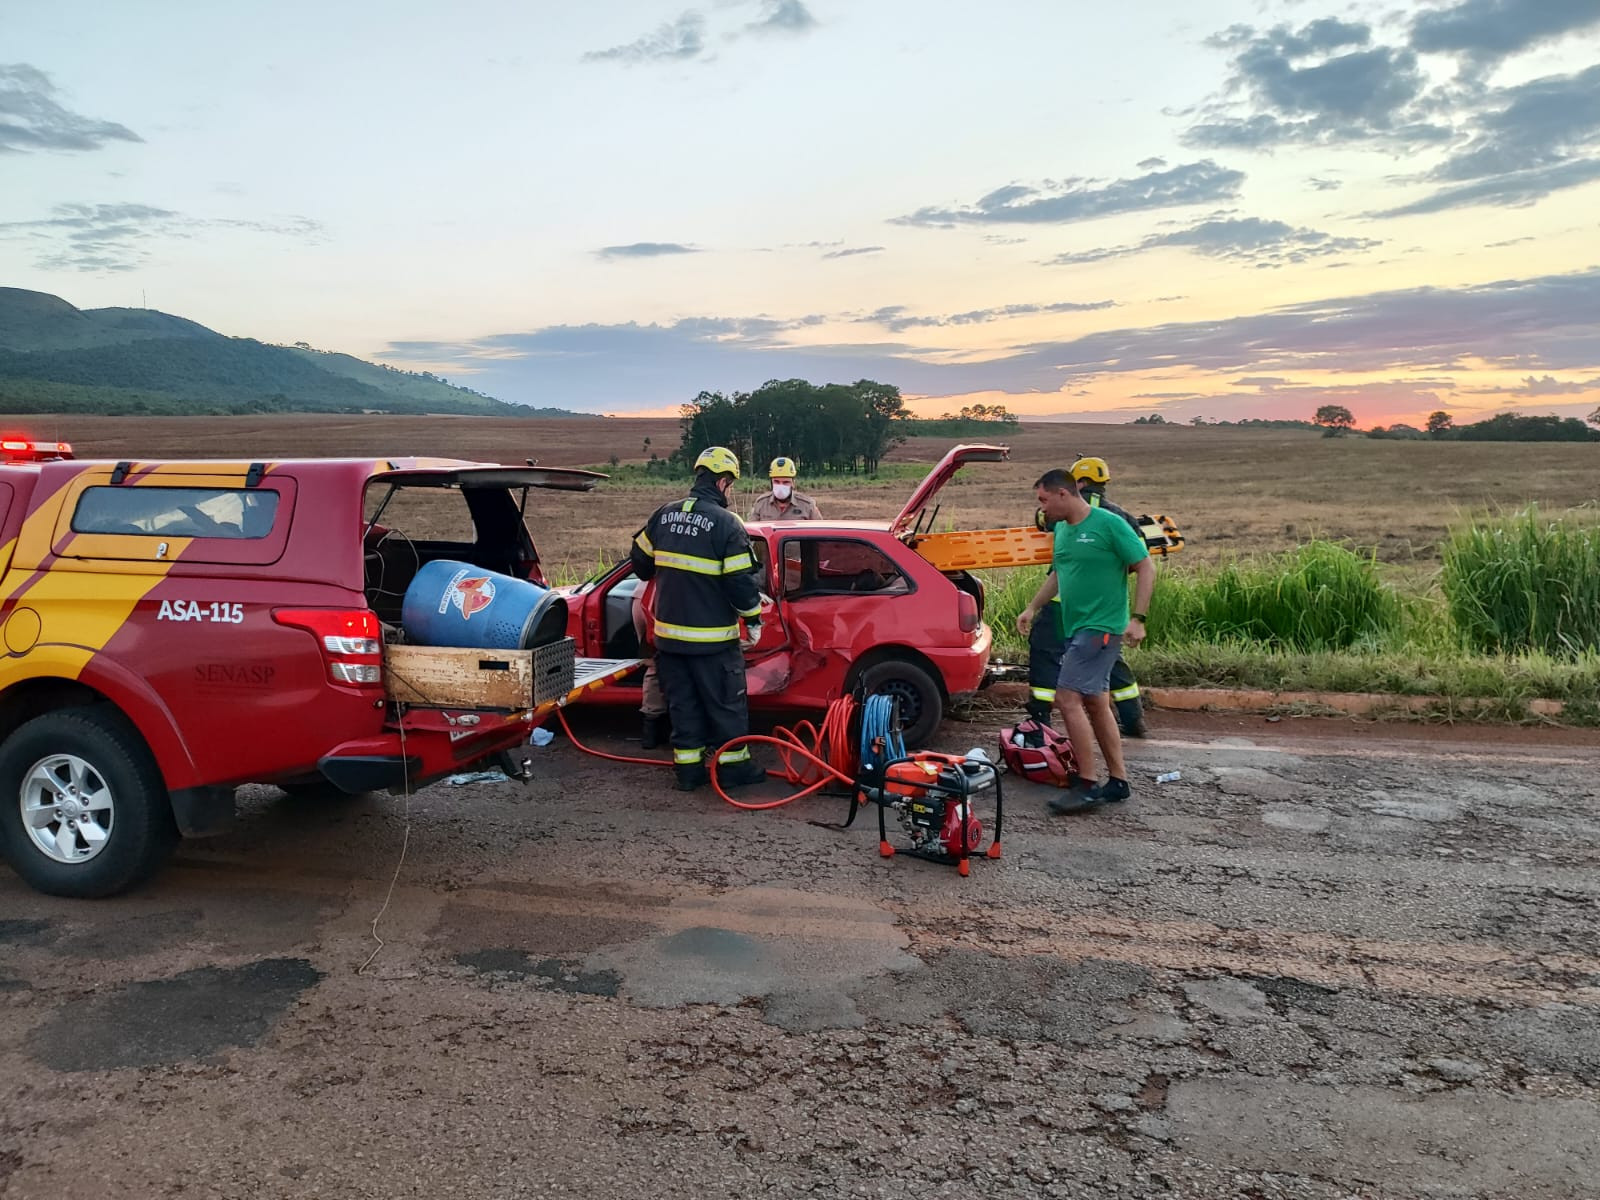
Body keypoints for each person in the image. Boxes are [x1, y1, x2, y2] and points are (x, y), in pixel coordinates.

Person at [1017, 468, 1154, 814]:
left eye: (1044, 500)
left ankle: (1088, 783)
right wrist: (1033, 607)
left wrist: (1138, 619)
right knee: (1095, 702)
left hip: (1102, 626)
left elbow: (1145, 565)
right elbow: (1060, 574)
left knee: (1066, 697)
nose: (1042, 508)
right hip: (1077, 627)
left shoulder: (1109, 524)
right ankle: (1118, 782)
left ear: (1064, 494)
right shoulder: (1062, 530)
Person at [630, 447, 767, 791]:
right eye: (730, 485)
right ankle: (734, 771)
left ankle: (689, 775)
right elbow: (740, 582)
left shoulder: (663, 515)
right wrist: (752, 620)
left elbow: (641, 566)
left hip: (670, 644)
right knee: (726, 707)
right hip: (712, 644)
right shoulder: (726, 524)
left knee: (683, 708)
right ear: (722, 482)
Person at [632, 579, 669, 749]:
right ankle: (663, 730)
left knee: (653, 668)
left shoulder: (644, 581)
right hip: (664, 603)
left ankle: (651, 732)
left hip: (644, 600)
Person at [749, 457, 822, 522]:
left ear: (793, 483)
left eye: (785, 482)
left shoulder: (807, 505)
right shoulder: (761, 504)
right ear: (771, 482)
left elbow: (820, 531)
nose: (781, 486)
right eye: (777, 482)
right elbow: (751, 532)